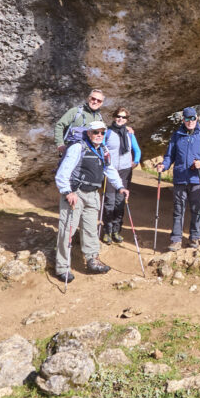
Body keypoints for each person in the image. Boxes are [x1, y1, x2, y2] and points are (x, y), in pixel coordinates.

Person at [53, 120, 128, 283]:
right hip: (75, 194)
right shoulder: (78, 147)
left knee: (90, 229)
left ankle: (92, 260)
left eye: (102, 132)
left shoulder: (103, 150)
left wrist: (120, 186)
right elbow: (62, 173)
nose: (99, 135)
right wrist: (67, 192)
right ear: (89, 133)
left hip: (93, 194)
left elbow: (110, 169)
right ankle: (62, 267)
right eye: (95, 132)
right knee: (68, 230)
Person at [155, 107, 200, 251]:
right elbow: (170, 156)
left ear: (196, 119)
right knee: (178, 210)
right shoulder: (177, 135)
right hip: (180, 179)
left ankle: (194, 237)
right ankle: (176, 239)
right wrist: (164, 165)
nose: (190, 121)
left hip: (196, 178)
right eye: (187, 119)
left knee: (196, 210)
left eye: (192, 118)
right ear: (183, 120)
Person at [102, 106, 142, 244]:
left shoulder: (129, 134)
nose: (120, 119)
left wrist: (135, 162)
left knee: (120, 201)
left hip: (125, 171)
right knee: (109, 202)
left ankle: (116, 231)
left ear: (127, 120)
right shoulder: (107, 132)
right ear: (114, 117)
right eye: (118, 116)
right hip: (110, 170)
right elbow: (101, 148)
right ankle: (107, 231)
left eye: (123, 117)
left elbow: (137, 150)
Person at [54, 89, 106, 155]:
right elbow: (59, 125)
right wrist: (60, 144)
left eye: (99, 100)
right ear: (88, 98)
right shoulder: (76, 112)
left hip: (90, 155)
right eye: (93, 98)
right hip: (73, 153)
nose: (95, 102)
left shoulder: (99, 118)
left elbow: (102, 136)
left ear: (101, 103)